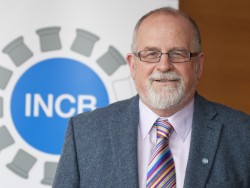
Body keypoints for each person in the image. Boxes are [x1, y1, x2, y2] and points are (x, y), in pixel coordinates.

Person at [52, 7, 250, 188]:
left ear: (198, 65)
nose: (164, 66)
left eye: (178, 53)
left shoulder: (243, 134)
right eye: (151, 54)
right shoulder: (85, 133)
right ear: (132, 65)